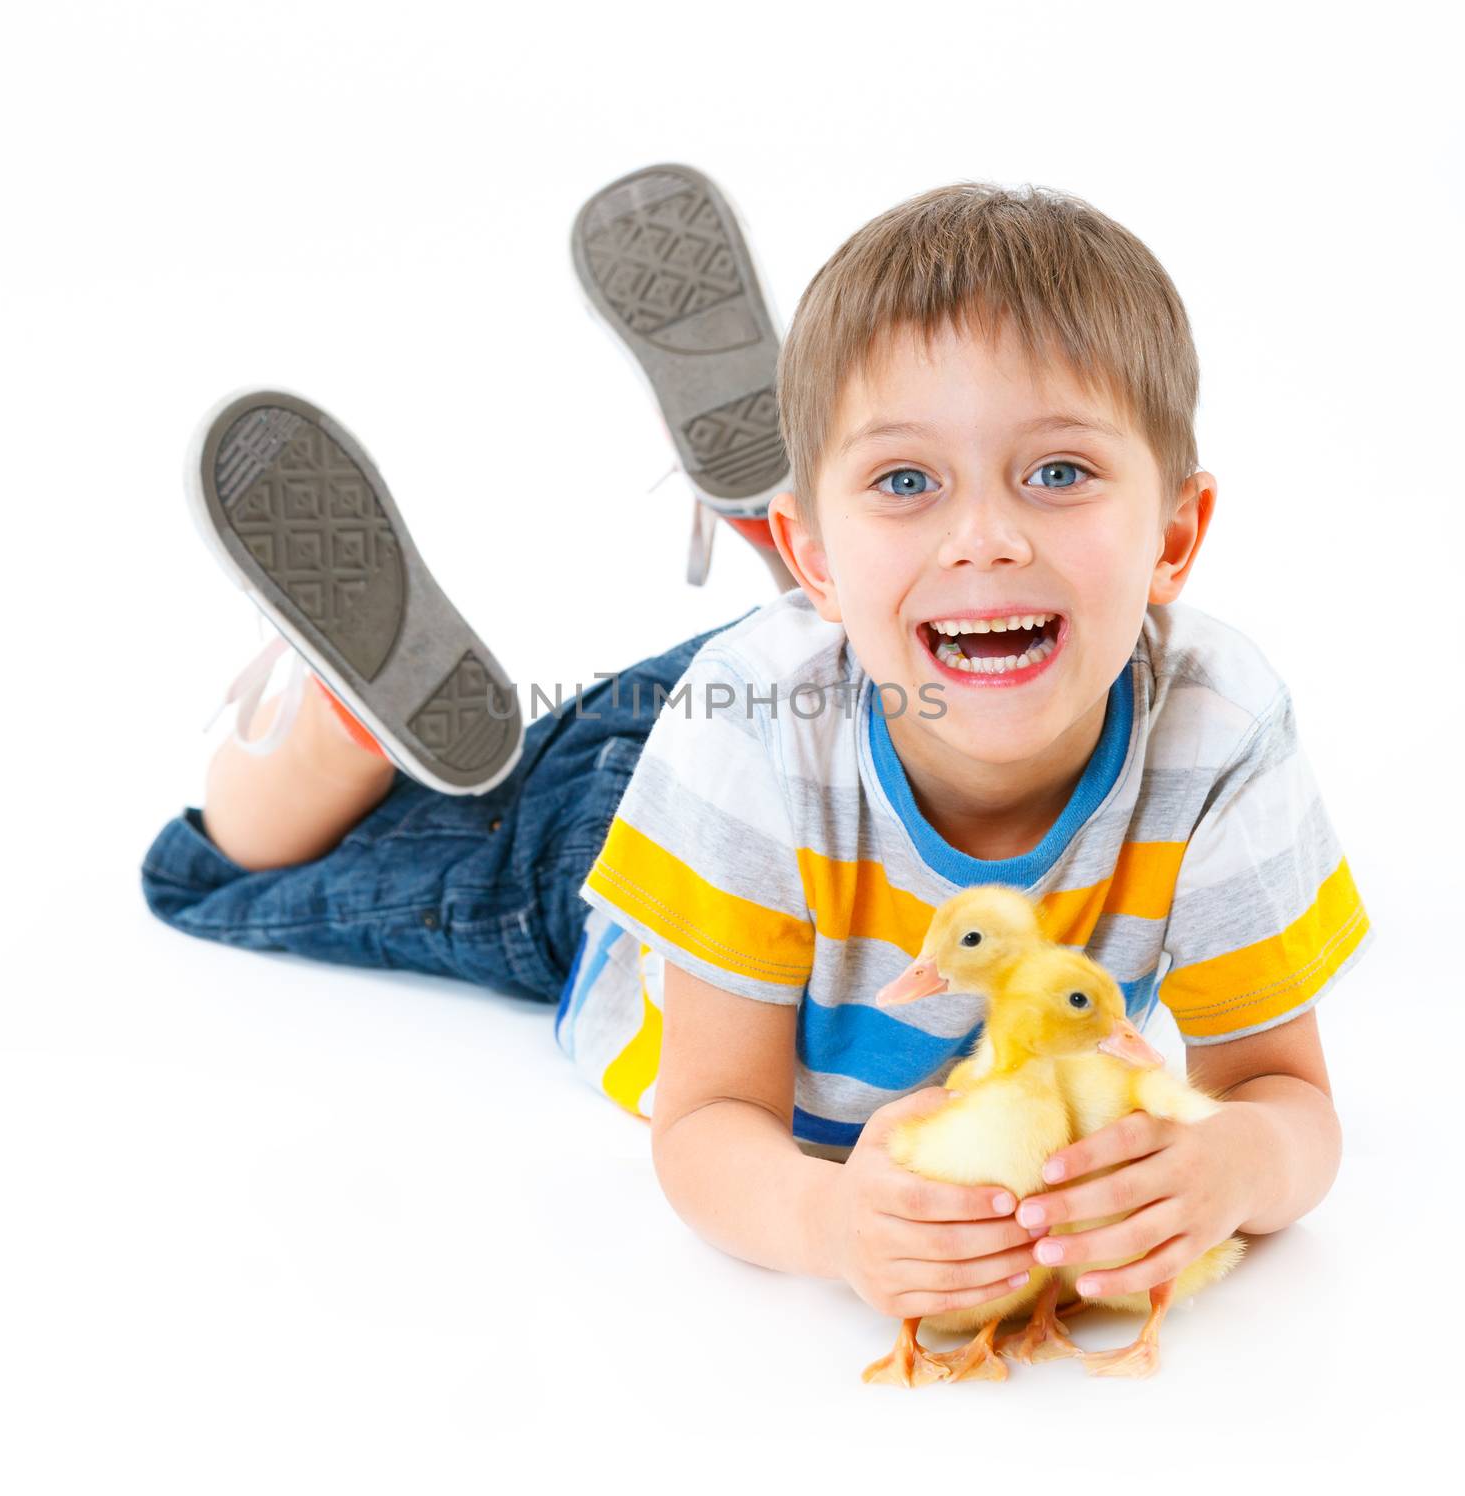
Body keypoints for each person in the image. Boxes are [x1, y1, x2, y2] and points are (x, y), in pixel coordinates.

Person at [142, 170, 1370, 1337]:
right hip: (649, 829)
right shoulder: (743, 729)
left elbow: (1287, 1100)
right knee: (235, 880)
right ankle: (346, 723)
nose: (989, 534)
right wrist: (831, 1220)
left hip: (828, 687)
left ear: (1176, 533)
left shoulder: (1216, 726)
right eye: (911, 477)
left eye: (1058, 472)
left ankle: (832, 515)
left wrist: (1231, 1163)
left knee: (889, 630)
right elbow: (707, 1121)